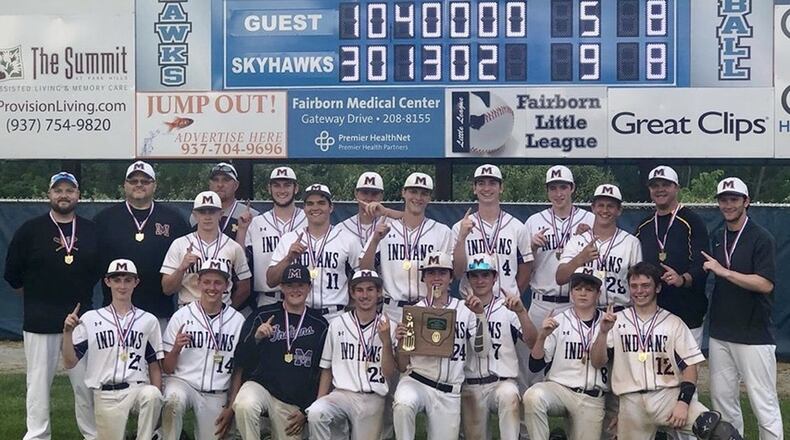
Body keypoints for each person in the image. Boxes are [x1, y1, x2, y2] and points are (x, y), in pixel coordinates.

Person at [589, 262, 742, 440]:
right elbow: (597, 362)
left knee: (721, 432)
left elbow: (690, 367)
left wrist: (683, 403)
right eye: (634, 286)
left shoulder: (673, 323)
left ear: (658, 288)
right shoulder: (616, 321)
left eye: (646, 285)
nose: (640, 291)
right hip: (632, 403)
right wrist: (603, 332)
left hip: (668, 397)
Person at [4, 171, 98, 440]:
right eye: (59, 190)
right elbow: (13, 275)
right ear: (49, 194)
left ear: (78, 195)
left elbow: (98, 272)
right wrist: (38, 298)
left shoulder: (91, 230)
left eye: (70, 190)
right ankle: (37, 434)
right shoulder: (30, 230)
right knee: (37, 383)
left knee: (85, 384)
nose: (64, 195)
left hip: (81, 320)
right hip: (39, 321)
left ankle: (92, 434)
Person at [703, 177, 783, 439]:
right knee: (723, 404)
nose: (728, 205)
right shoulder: (717, 236)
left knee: (764, 404)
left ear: (746, 202)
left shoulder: (761, 237)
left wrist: (724, 272)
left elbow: (765, 284)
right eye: (723, 200)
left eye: (734, 199)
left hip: (754, 334)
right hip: (721, 332)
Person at [61, 259, 164, 440]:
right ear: (107, 282)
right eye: (117, 280)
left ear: (136, 282)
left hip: (137, 388)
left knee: (153, 394)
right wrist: (67, 333)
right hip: (106, 393)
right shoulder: (91, 318)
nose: (122, 285)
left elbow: (154, 364)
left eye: (127, 280)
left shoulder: (148, 320)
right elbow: (70, 362)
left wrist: (157, 408)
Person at [392, 251, 488, 440]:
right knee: (403, 404)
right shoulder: (413, 312)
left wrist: (479, 316)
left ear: (451, 277)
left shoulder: (464, 310)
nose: (436, 278)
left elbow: (482, 350)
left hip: (448, 390)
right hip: (417, 381)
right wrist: (401, 343)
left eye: (442, 273)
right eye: (431, 272)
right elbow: (402, 365)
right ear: (424, 278)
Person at [233, 263, 329, 440]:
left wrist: (306, 409)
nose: (295, 290)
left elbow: (323, 372)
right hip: (261, 387)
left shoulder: (320, 324)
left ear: (309, 287)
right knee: (244, 404)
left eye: (300, 285)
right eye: (290, 285)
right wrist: (256, 337)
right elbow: (240, 358)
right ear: (282, 287)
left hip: (293, 400)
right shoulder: (263, 314)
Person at [94, 160, 189, 329]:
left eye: (145, 181)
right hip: (114, 314)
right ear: (125, 185)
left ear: (154, 185)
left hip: (158, 311)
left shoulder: (173, 220)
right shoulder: (104, 219)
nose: (139, 185)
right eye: (133, 181)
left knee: (156, 357)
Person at [161, 259, 246, 440]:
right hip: (182, 382)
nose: (212, 287)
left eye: (218, 282)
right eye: (206, 282)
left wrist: (231, 407)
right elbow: (167, 368)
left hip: (216, 391)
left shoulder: (237, 321)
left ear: (227, 286)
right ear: (198, 283)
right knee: (173, 401)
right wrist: (176, 349)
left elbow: (239, 369)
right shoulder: (182, 315)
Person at [307, 270, 397, 439]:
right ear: (352, 293)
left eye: (370, 289)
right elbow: (326, 368)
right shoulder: (337, 324)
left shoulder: (389, 326)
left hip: (373, 398)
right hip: (342, 394)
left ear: (379, 293)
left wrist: (386, 342)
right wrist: (319, 400)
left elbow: (389, 372)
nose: (365, 295)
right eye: (359, 290)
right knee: (315, 412)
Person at [523, 267, 608, 440]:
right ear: (571, 293)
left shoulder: (608, 322)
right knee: (533, 396)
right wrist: (541, 337)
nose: (583, 293)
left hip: (591, 395)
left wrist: (604, 332)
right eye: (577, 288)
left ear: (598, 294)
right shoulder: (559, 321)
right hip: (559, 389)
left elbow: (601, 362)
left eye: (589, 289)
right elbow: (535, 365)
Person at [461, 254, 536, 440]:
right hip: (472, 385)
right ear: (468, 279)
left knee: (509, 395)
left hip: (502, 382)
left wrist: (522, 312)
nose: (480, 280)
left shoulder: (507, 308)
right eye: (475, 276)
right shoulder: (459, 310)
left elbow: (533, 343)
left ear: (495, 277)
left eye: (485, 275)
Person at [360, 172, 453, 323]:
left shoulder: (442, 231)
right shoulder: (384, 227)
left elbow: (449, 275)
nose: (418, 197)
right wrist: (375, 241)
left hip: (428, 307)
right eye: (413, 191)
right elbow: (365, 269)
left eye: (424, 193)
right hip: (392, 310)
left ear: (430, 197)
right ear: (403, 192)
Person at [635, 165, 709, 343]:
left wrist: (682, 279)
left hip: (687, 311)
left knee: (686, 368)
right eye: (655, 185)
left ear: (676, 188)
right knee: (654, 369)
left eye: (665, 184)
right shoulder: (644, 225)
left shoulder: (692, 221)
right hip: (653, 312)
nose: (660, 189)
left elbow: (703, 264)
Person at [268, 184, 362, 321]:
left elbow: (362, 279)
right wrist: (288, 258)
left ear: (331, 207)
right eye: (310, 203)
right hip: (299, 314)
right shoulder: (289, 239)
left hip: (334, 315)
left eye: (321, 203)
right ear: (304, 208)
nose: (315, 208)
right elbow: (271, 281)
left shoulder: (348, 239)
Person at [556, 184, 642, 311]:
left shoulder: (631, 243)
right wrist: (580, 259)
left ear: (619, 210)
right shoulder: (577, 241)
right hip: (584, 313)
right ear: (593, 208)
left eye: (610, 206)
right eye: (601, 205)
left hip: (620, 311)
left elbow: (638, 283)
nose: (605, 210)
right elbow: (560, 278)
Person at [452, 164, 533, 298]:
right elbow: (457, 273)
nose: (487, 188)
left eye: (492, 183)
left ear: (501, 188)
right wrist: (461, 239)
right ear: (474, 188)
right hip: (471, 304)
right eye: (481, 183)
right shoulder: (459, 227)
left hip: (507, 305)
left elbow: (526, 268)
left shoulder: (517, 227)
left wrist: (514, 295)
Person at [161, 191, 252, 308]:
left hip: (221, 311)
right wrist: (181, 269)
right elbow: (167, 289)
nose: (207, 216)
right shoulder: (180, 244)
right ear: (194, 214)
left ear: (220, 214)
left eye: (212, 211)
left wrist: (228, 311)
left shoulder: (233, 247)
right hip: (188, 310)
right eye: (202, 212)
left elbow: (244, 288)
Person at [236, 166, 306, 308]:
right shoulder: (257, 222)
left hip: (304, 298)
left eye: (287, 185)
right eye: (276, 185)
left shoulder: (308, 220)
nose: (282, 190)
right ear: (269, 189)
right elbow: (240, 260)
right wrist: (242, 230)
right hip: (268, 298)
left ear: (296, 188)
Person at [191, 162, 260, 241]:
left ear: (236, 185)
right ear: (209, 184)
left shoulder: (252, 216)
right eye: (215, 180)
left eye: (226, 180)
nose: (220, 185)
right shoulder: (196, 216)